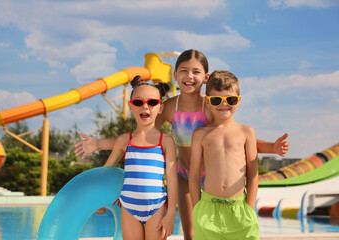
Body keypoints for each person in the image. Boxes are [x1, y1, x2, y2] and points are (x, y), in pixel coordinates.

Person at [75, 49, 289, 240]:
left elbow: (232, 138)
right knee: (191, 231)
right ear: (175, 75)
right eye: (184, 71)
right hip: (184, 174)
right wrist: (98, 144)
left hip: (211, 176)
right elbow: (142, 136)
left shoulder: (212, 104)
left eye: (196, 71)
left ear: (205, 77)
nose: (189, 76)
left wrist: (272, 148)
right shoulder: (169, 107)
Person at [95, 76, 178, 240]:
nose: (145, 107)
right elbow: (106, 172)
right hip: (129, 206)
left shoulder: (166, 141)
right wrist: (99, 200)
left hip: (157, 206)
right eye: (138, 102)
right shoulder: (124, 140)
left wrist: (171, 214)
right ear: (130, 106)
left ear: (160, 108)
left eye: (152, 103)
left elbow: (172, 178)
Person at [189, 70, 259, 239]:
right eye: (216, 100)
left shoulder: (246, 132)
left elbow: (253, 174)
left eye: (231, 99)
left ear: (239, 100)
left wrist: (249, 208)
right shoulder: (200, 134)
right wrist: (197, 207)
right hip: (207, 209)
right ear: (208, 102)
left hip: (240, 209)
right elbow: (194, 175)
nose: (224, 104)